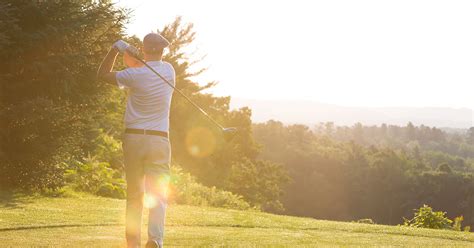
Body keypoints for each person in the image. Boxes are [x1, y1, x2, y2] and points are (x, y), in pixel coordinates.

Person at [97, 33, 175, 248]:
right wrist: (133, 53)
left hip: (134, 139)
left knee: (134, 194)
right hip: (159, 140)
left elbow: (102, 74)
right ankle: (156, 240)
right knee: (158, 194)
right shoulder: (169, 70)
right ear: (163, 50)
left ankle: (133, 244)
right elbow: (142, 63)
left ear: (144, 48)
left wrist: (117, 48)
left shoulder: (134, 74)